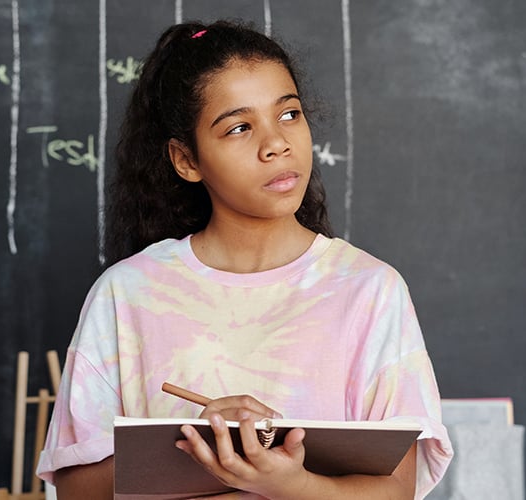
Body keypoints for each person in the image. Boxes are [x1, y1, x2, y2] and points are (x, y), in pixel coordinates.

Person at [36, 20, 453, 499]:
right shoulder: (126, 293)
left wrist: (292, 483)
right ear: (186, 160)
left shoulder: (369, 290)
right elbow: (74, 489)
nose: (276, 143)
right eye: (238, 127)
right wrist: (204, 452)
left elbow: (396, 490)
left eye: (290, 114)